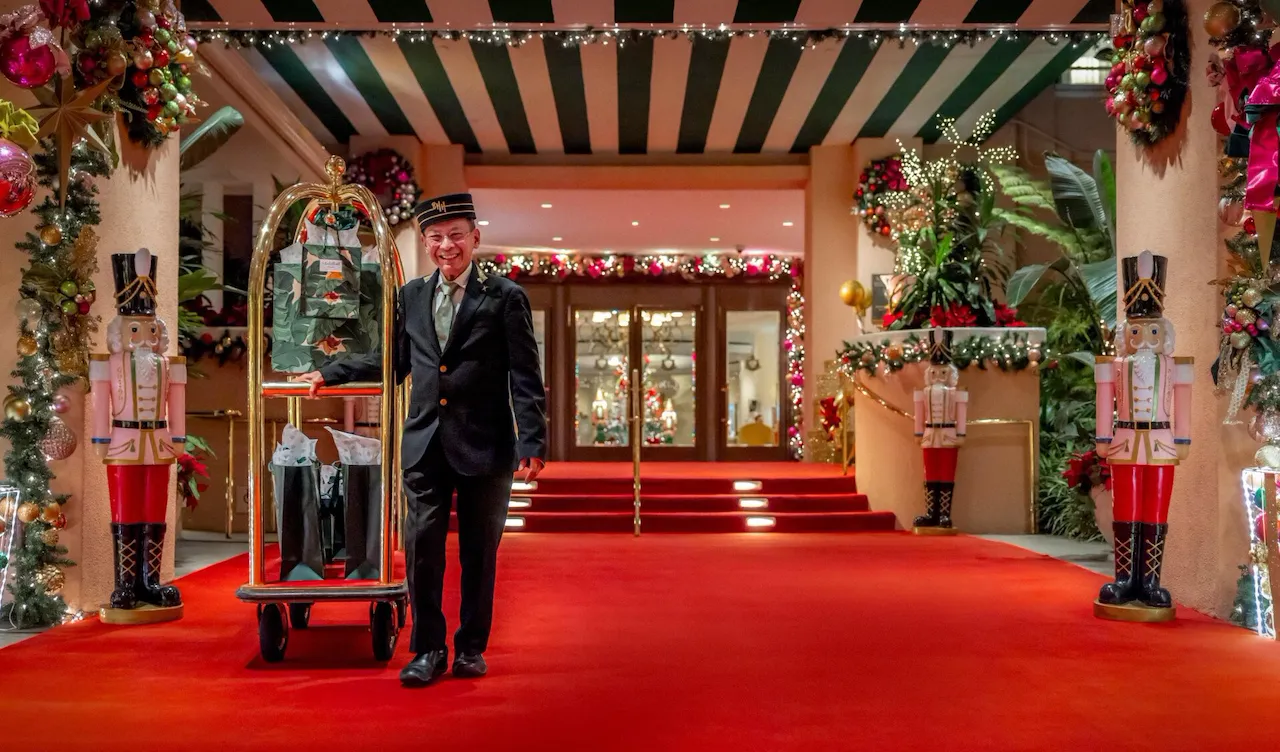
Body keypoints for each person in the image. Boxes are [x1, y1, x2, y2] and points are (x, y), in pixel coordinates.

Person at [292, 193, 547, 686]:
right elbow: (392, 358)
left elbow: (525, 373)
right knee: (423, 549)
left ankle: (470, 648)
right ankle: (427, 649)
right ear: (426, 242)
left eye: (455, 235)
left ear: (475, 238)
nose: (445, 245)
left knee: (479, 552)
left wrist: (532, 441)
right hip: (425, 443)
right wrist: (332, 372)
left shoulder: (505, 296)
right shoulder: (410, 296)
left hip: (487, 445)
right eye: (435, 237)